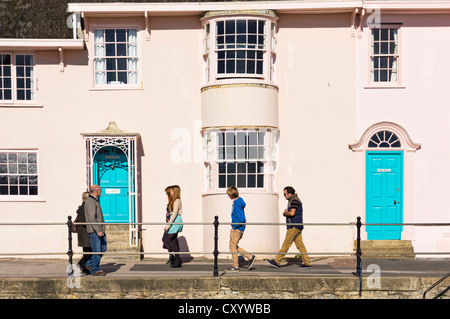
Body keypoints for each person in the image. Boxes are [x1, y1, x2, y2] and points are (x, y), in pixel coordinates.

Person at [267, 186, 311, 269]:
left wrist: (285, 213)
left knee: (286, 244)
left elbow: (292, 213)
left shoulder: (294, 200)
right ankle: (307, 263)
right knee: (300, 245)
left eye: (285, 194)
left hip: (293, 226)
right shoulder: (294, 200)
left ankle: (277, 261)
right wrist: (288, 211)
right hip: (298, 226)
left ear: (289, 194)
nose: (284, 196)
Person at [227, 186, 256, 271]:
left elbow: (241, 218)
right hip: (239, 227)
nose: (228, 196)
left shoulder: (236, 204)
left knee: (232, 246)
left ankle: (235, 265)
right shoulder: (239, 202)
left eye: (229, 194)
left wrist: (234, 227)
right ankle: (250, 257)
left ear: (232, 194)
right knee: (233, 246)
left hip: (237, 228)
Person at [84, 185, 107, 276]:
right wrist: (98, 230)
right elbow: (91, 218)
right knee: (97, 250)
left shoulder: (93, 201)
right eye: (100, 190)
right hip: (95, 231)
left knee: (103, 249)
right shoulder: (90, 202)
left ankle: (89, 264)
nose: (101, 192)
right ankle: (94, 270)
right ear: (96, 191)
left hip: (99, 230)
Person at [164, 185, 183, 268]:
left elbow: (174, 213)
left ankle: (177, 258)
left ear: (175, 191)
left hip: (175, 221)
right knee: (173, 240)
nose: (170, 192)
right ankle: (177, 260)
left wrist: (168, 225)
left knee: (167, 239)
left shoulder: (177, 200)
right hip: (173, 220)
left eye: (171, 191)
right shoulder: (174, 200)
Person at [76, 191, 91, 275]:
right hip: (85, 234)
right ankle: (80, 265)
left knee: (88, 252)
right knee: (88, 252)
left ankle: (83, 266)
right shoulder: (84, 207)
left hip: (85, 233)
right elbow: (83, 221)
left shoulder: (85, 206)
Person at [162, 186, 174, 265]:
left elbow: (173, 214)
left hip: (171, 225)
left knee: (165, 239)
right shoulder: (171, 201)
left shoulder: (174, 202)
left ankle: (173, 256)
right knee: (168, 240)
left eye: (168, 193)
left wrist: (168, 224)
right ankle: (172, 256)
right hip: (169, 224)